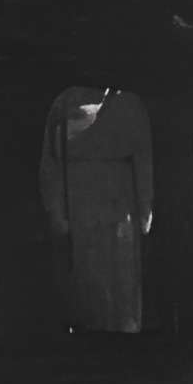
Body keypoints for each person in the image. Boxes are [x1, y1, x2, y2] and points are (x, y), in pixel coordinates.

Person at [40, 78, 156, 335]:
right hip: (81, 211)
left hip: (119, 212)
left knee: (121, 287)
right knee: (87, 288)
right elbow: (51, 166)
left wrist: (144, 213)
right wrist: (57, 211)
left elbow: (143, 162)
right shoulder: (65, 102)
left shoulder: (129, 104)